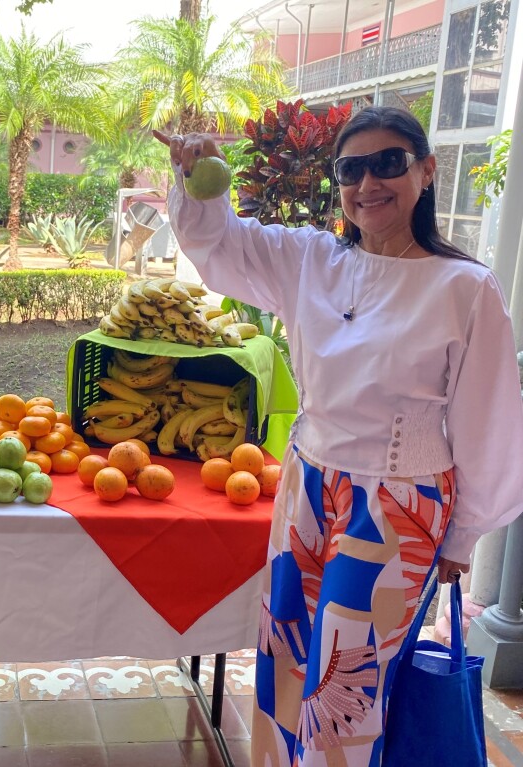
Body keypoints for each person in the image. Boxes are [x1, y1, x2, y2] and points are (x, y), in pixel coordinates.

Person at [156, 106, 523, 766]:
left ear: (426, 171)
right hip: (307, 484)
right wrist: (193, 174)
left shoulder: (465, 288)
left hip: (396, 507)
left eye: (389, 163)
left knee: (344, 692)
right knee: (285, 662)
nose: (368, 183)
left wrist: (464, 534)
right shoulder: (311, 260)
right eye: (351, 169)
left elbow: (489, 418)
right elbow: (223, 248)